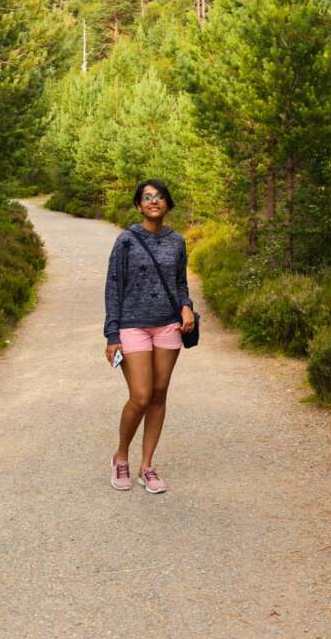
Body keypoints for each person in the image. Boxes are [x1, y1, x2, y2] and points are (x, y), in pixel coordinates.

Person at [103, 178, 195, 494]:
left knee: (159, 394)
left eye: (159, 197)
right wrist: (111, 334)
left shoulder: (177, 242)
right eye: (147, 197)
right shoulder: (126, 241)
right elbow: (113, 287)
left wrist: (186, 307)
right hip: (132, 326)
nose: (153, 201)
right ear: (139, 205)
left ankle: (147, 466)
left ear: (167, 204)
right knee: (140, 395)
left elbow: (180, 284)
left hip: (168, 325)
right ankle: (120, 455)